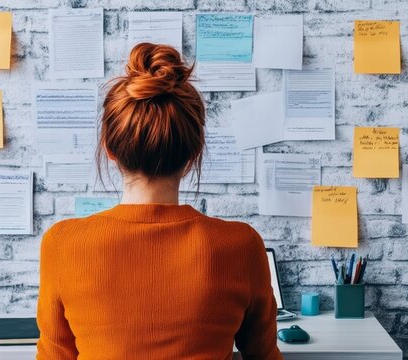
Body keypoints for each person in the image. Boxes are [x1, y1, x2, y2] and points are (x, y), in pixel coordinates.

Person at [37, 42, 282, 360]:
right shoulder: (243, 244)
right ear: (194, 154)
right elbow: (264, 356)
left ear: (110, 150)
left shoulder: (62, 243)